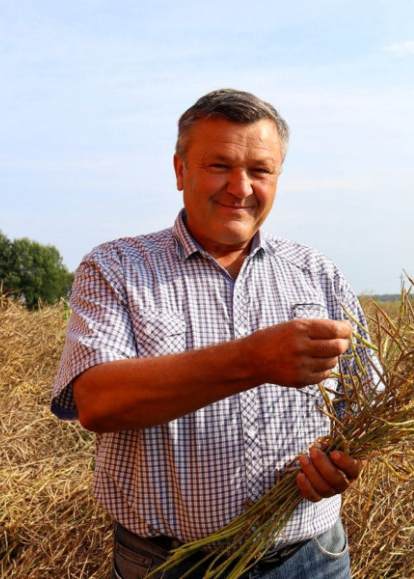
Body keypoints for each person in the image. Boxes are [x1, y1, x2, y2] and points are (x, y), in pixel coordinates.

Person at [51, 88, 374, 578]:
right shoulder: (116, 268)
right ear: (181, 171)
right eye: (219, 165)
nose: (240, 187)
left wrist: (345, 461)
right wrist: (253, 360)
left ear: (278, 177)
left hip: (310, 559)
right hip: (167, 565)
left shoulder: (317, 272)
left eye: (260, 170)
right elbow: (98, 402)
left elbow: (368, 405)